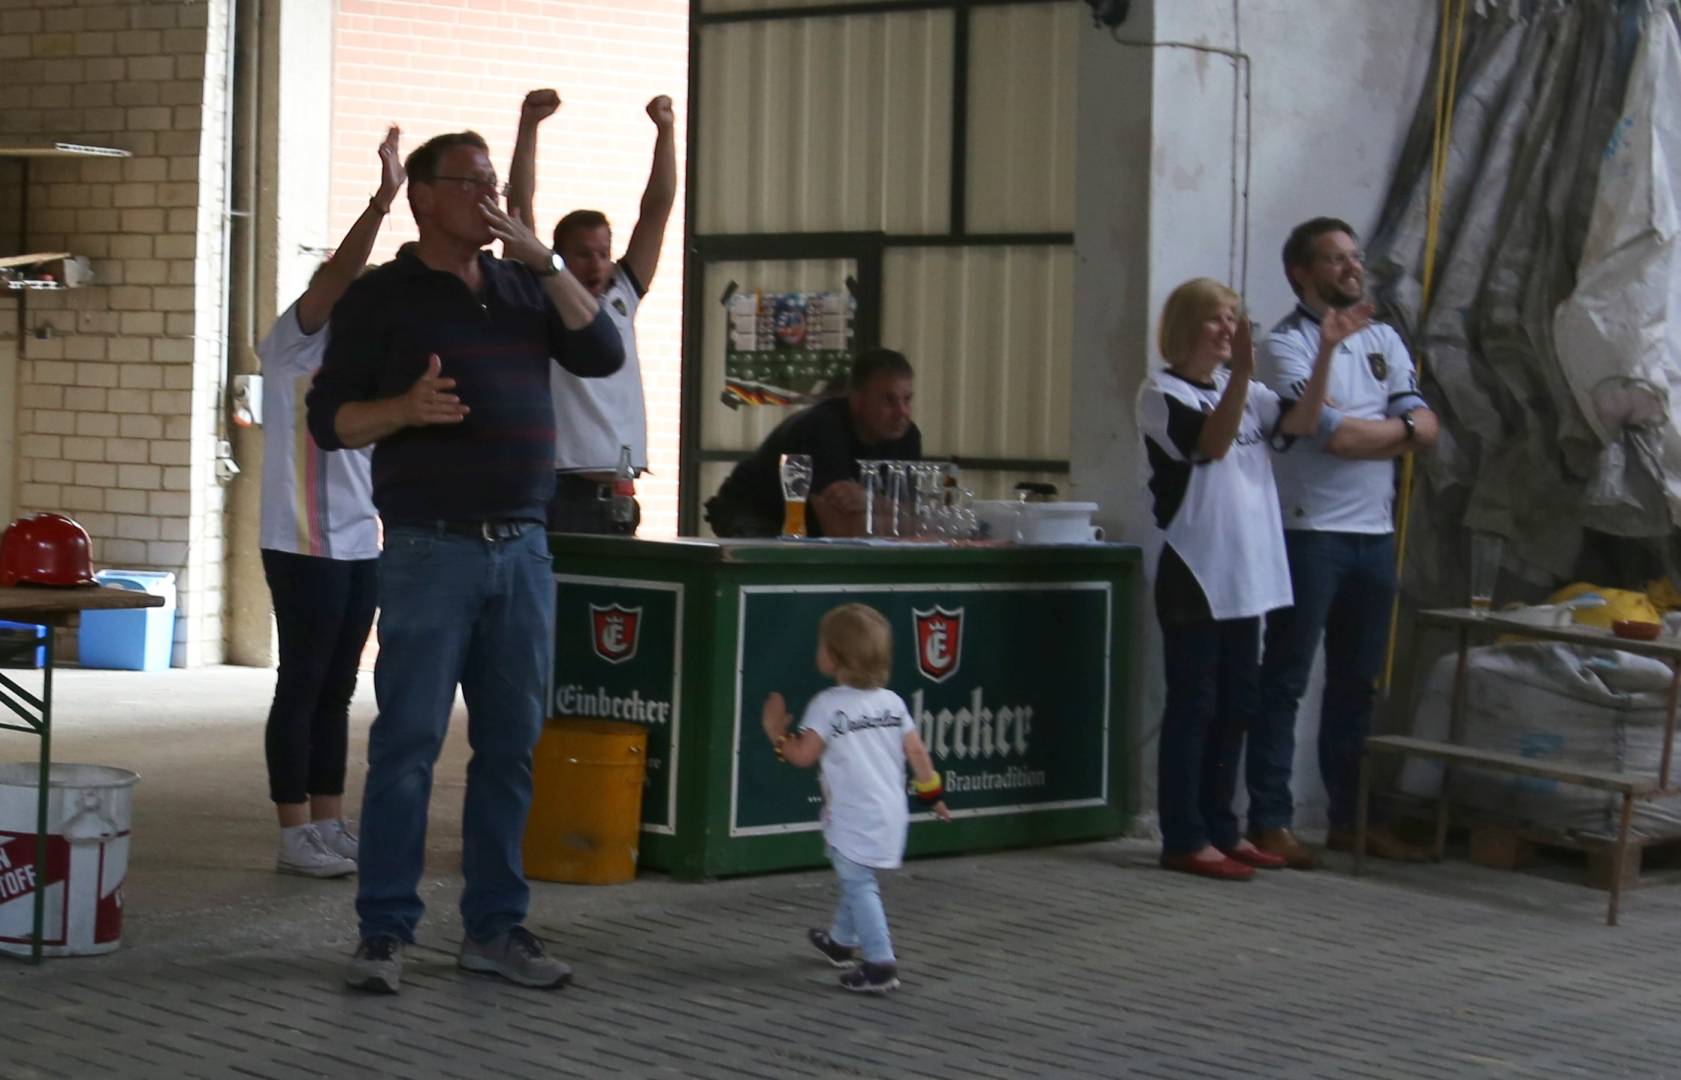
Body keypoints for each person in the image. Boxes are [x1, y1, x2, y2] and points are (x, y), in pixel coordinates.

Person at [307, 129, 624, 993]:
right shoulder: (384, 299)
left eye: (495, 182)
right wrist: (402, 407)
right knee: (408, 744)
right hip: (428, 550)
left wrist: (546, 261)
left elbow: (603, 354)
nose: (490, 195)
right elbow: (328, 420)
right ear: (425, 196)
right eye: (473, 182)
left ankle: (493, 927)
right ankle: (384, 932)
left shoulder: (524, 285)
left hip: (523, 549)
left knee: (510, 748)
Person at [1246, 217, 1440, 868]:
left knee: (1357, 684)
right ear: (1302, 272)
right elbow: (1331, 437)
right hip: (1310, 534)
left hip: (1373, 536)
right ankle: (1268, 818)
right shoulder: (1286, 346)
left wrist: (1391, 429)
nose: (1351, 268)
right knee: (1286, 680)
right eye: (1333, 260)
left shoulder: (1383, 335)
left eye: (1353, 257)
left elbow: (1426, 424)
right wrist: (1396, 431)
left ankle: (1353, 821)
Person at [1137, 277, 1342, 881]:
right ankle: (1184, 834)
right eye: (1216, 319)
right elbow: (1213, 447)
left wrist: (1325, 351)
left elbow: (1302, 422)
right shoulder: (1160, 394)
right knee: (1194, 704)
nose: (1229, 329)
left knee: (1237, 705)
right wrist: (1241, 378)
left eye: (1235, 318)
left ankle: (1224, 827)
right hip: (1196, 569)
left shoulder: (1244, 390)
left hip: (1247, 569)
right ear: (1185, 328)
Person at [257, 127, 404, 879]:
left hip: (358, 542)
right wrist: (383, 202)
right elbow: (341, 273)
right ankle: (292, 835)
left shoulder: (366, 364)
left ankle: (329, 822)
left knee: (340, 688)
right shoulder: (294, 344)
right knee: (303, 680)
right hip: (299, 542)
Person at [506, 90, 677, 535]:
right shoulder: (545, 294)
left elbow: (657, 209)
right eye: (582, 255)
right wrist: (528, 127)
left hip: (620, 492)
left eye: (604, 253)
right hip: (562, 491)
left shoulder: (623, 291)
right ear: (556, 257)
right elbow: (518, 214)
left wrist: (666, 130)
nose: (597, 264)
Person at [759, 603, 950, 993]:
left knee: (860, 884)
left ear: (834, 657)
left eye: (822, 645)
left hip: (851, 815)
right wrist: (933, 797)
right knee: (857, 875)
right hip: (891, 814)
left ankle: (880, 963)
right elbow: (918, 754)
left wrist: (775, 731)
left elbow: (802, 756)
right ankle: (841, 943)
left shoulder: (828, 705)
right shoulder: (893, 703)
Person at [705, 348, 920, 538]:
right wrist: (891, 511)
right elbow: (843, 531)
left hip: (810, 524)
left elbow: (920, 520)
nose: (902, 413)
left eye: (907, 399)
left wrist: (867, 502)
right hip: (753, 512)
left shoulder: (907, 436)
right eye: (888, 400)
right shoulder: (823, 428)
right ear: (856, 400)